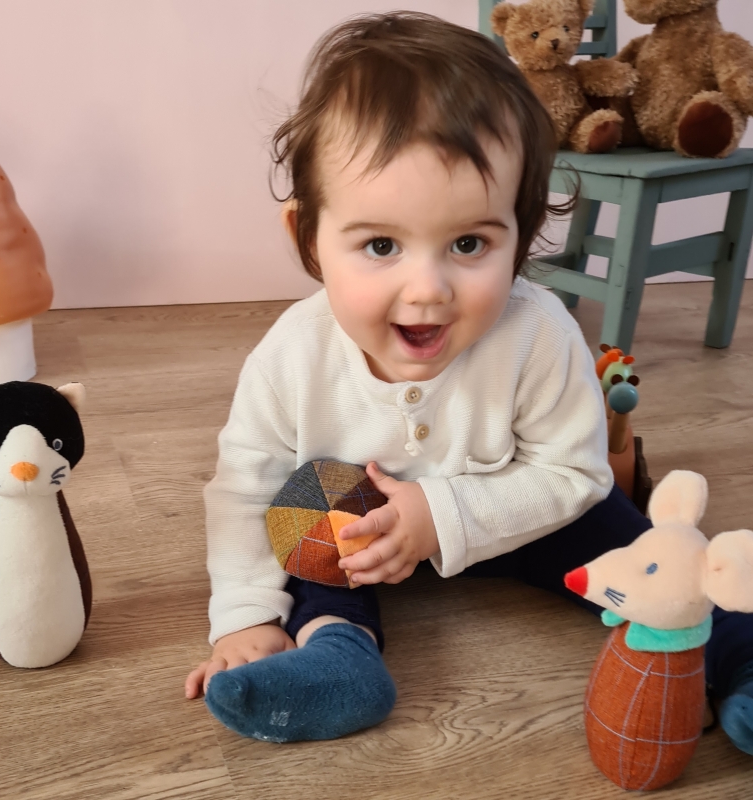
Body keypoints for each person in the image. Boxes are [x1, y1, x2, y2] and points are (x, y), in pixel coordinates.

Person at [185, 12, 753, 750]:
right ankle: (338, 655)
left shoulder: (538, 331)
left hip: (520, 512)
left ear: (520, 237)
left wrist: (440, 514)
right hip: (360, 529)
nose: (428, 289)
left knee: (634, 542)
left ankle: (736, 652)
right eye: (380, 245)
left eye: (468, 242)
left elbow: (574, 473)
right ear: (309, 241)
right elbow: (244, 489)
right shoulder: (291, 353)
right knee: (300, 527)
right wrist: (245, 617)